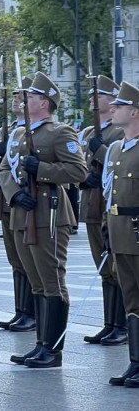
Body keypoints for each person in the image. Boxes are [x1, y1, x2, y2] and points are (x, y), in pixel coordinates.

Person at [6, 72, 87, 369]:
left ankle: (52, 350)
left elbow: (78, 172)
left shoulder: (59, 133)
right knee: (36, 284)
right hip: (22, 213)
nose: (23, 100)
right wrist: (14, 194)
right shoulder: (17, 133)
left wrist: (41, 168)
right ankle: (40, 344)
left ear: (44, 102)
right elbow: (4, 168)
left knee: (52, 282)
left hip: (49, 214)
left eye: (29, 96)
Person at [78, 75, 127, 346]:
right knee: (104, 268)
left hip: (111, 204)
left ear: (112, 101)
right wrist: (84, 178)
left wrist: (101, 151)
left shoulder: (119, 132)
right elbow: (77, 167)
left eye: (98, 96)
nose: (92, 101)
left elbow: (119, 162)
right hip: (92, 204)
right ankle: (110, 323)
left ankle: (122, 325)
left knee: (117, 267)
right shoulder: (88, 132)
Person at [0, 76, 36, 333]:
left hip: (24, 200)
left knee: (28, 259)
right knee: (14, 258)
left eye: (21, 96)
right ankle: (21, 310)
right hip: (7, 201)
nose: (16, 101)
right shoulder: (6, 130)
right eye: (16, 96)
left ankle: (31, 312)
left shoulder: (34, 131)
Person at [104, 81, 139, 386]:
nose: (112, 109)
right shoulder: (117, 147)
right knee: (131, 298)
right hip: (120, 230)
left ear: (135, 112)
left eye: (120, 105)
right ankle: (136, 362)